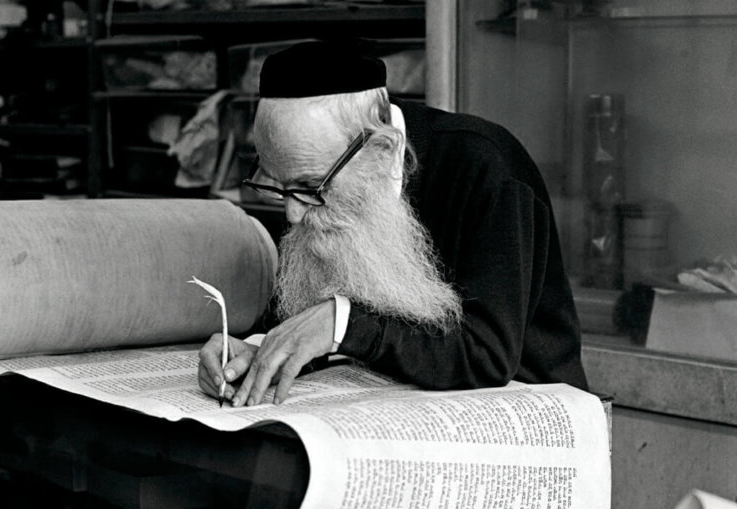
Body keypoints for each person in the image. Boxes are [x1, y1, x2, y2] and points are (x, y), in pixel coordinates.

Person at [198, 40, 588, 408]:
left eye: (307, 187)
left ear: (380, 148)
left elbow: (487, 355)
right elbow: (310, 308)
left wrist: (343, 323)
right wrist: (260, 346)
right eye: (278, 187)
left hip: (525, 416)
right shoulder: (321, 173)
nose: (293, 214)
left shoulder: (486, 167)